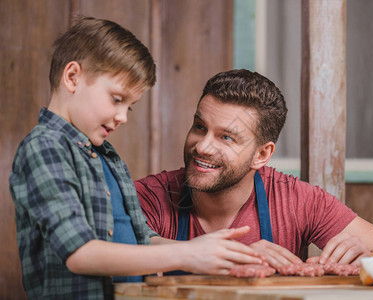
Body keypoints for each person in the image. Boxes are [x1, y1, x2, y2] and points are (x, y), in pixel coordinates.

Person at [9, 18, 263, 299]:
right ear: (72, 77)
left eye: (130, 107)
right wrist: (188, 254)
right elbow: (80, 253)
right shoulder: (45, 148)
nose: (123, 117)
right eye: (117, 99)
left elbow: (142, 240)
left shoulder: (105, 156)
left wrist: (215, 251)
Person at [136, 69, 373, 270]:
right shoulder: (151, 195)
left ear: (262, 155)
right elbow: (108, 249)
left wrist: (369, 257)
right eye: (200, 127)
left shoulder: (296, 199)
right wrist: (233, 256)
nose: (202, 146)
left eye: (226, 137)